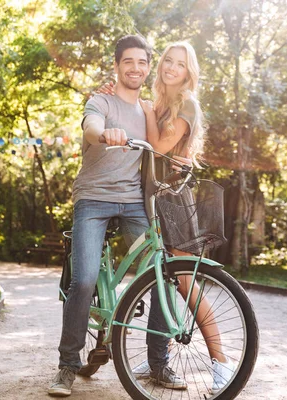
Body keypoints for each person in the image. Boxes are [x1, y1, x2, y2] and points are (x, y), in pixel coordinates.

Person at [48, 35, 187, 398]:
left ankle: (158, 362)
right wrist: (104, 134)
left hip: (132, 203)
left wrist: (186, 159)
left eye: (143, 62)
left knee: (161, 274)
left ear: (147, 67)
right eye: (129, 61)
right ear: (117, 65)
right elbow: (91, 127)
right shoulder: (101, 100)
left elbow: (163, 145)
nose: (136, 68)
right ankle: (67, 366)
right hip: (92, 200)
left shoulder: (148, 111)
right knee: (84, 280)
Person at [97, 41, 234, 394]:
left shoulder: (185, 103)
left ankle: (221, 363)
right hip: (150, 199)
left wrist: (144, 113)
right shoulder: (158, 103)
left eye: (180, 64)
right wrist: (111, 94)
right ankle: (159, 357)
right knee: (160, 279)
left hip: (173, 198)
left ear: (190, 72)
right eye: (168, 61)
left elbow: (158, 148)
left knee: (185, 282)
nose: (171, 67)